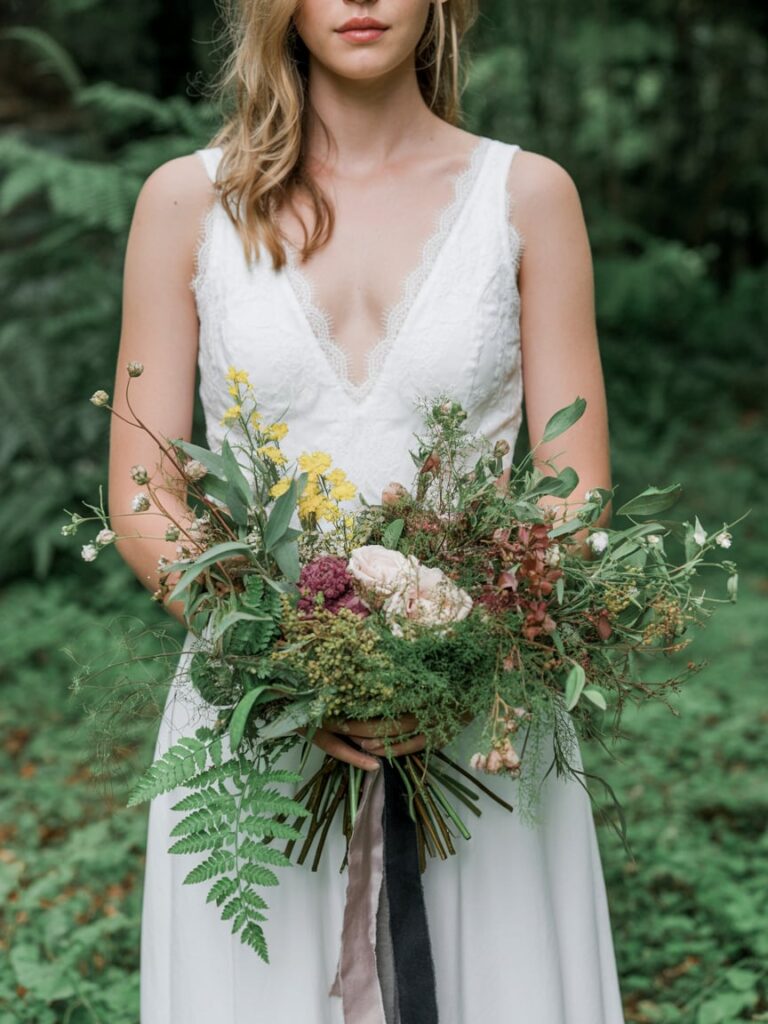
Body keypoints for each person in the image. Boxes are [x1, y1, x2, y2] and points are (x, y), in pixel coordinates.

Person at [108, 0, 626, 1020]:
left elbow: (576, 489)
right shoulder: (183, 202)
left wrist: (449, 659)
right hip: (253, 714)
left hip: (484, 718)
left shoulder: (528, 194)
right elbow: (143, 487)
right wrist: (282, 657)